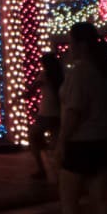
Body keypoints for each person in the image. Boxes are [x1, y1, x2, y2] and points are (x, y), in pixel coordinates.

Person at [56, 23, 107, 214]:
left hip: (82, 142)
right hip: (105, 139)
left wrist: (61, 141)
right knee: (101, 199)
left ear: (82, 45)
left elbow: (74, 111)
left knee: (69, 201)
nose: (69, 48)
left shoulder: (80, 72)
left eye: (71, 43)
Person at [29, 52, 63, 180]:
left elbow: (32, 89)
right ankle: (59, 171)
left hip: (46, 112)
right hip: (58, 112)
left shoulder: (44, 75)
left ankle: (41, 168)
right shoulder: (60, 75)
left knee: (33, 136)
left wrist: (25, 94)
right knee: (56, 142)